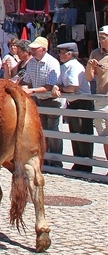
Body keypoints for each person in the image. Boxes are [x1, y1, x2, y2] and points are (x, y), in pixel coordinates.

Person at [20, 36, 62, 168]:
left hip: (51, 100)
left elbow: (49, 85)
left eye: (35, 48)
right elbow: (27, 79)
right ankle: (43, 157)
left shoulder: (52, 62)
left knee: (53, 130)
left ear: (43, 49)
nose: (32, 50)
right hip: (38, 99)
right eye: (31, 48)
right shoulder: (32, 63)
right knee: (41, 130)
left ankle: (55, 160)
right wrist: (24, 86)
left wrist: (31, 90)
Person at [53, 42, 93, 172]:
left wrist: (61, 89)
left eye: (62, 52)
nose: (60, 55)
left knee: (83, 134)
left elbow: (72, 87)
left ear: (69, 54)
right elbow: (59, 83)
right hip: (73, 103)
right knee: (75, 134)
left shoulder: (74, 67)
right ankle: (78, 162)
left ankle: (85, 164)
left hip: (81, 102)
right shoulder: (65, 67)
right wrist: (57, 87)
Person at [85, 26, 108, 160]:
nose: (100, 40)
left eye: (103, 38)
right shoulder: (96, 53)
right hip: (101, 98)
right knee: (104, 135)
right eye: (99, 38)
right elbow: (89, 78)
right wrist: (90, 66)